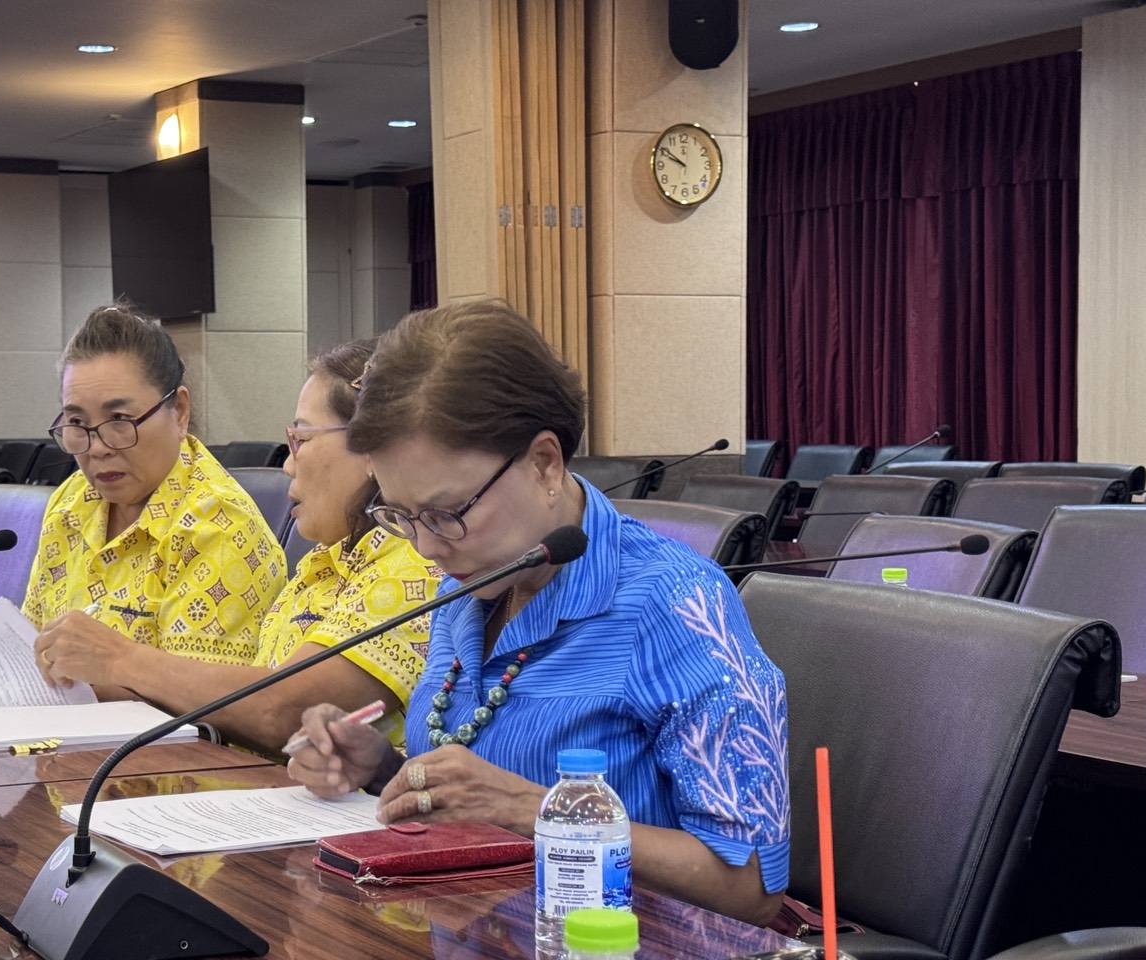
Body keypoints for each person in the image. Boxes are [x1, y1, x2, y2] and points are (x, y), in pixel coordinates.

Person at [285, 301, 789, 927]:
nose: (428, 547)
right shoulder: (471, 583)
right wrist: (383, 768)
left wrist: (530, 807)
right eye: (400, 515)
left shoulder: (675, 605)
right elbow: (475, 787)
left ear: (545, 462)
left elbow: (750, 886)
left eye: (445, 512)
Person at [31, 339, 440, 755]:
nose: (287, 464)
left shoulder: (417, 561)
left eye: (301, 439)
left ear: (372, 445)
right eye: (77, 425)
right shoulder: (326, 559)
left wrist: (119, 659)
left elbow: (284, 710)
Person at [0, 304, 287, 689]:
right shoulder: (72, 502)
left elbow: (197, 710)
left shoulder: (218, 526)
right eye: (78, 424)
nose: (97, 447)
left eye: (119, 421)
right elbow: (43, 648)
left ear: (179, 411)